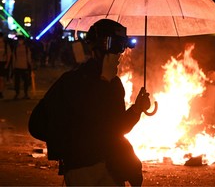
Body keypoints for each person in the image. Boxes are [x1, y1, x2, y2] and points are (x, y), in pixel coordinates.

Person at [30, 19, 151, 186]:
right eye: (115, 47)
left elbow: (116, 129)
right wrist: (71, 147)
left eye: (122, 47)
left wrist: (137, 109)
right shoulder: (71, 83)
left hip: (111, 168)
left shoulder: (114, 86)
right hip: (82, 171)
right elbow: (37, 124)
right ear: (97, 49)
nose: (120, 54)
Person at [12, 35, 32, 100]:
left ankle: (25, 93)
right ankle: (17, 93)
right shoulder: (15, 48)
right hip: (17, 67)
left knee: (26, 81)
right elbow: (14, 58)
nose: (20, 41)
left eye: (21, 40)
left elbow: (28, 58)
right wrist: (13, 66)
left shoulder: (26, 48)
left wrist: (30, 65)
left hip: (24, 67)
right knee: (17, 82)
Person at [0, 32, 11, 99]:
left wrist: (7, 64)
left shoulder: (6, 45)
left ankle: (1, 92)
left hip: (3, 63)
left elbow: (9, 55)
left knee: (2, 79)